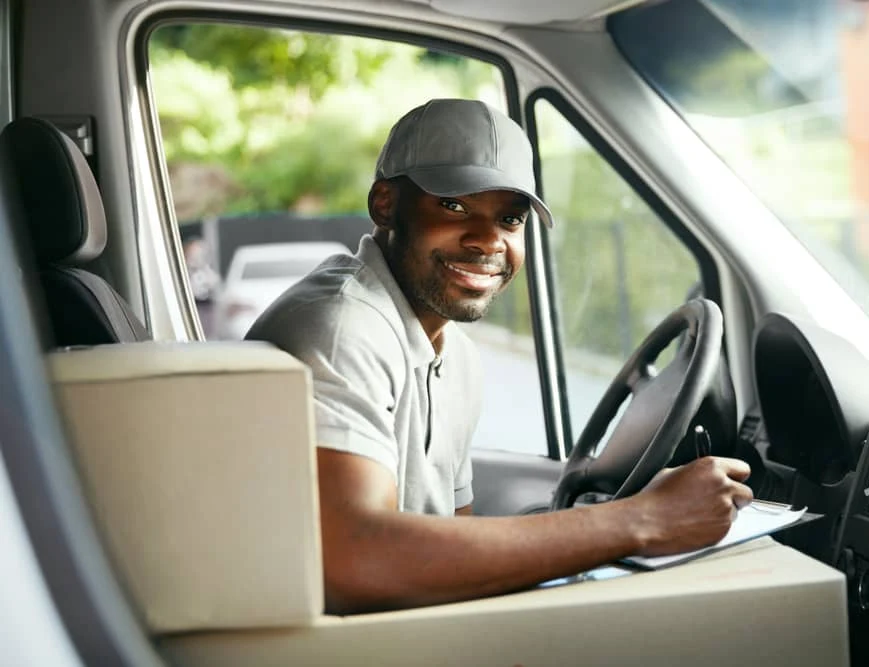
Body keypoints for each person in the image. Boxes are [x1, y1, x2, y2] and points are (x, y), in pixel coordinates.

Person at [246, 98, 753, 614]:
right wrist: (643, 520)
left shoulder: (457, 356)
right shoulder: (341, 326)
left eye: (510, 219)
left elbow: (449, 538)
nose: (489, 240)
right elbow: (354, 561)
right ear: (385, 205)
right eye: (454, 206)